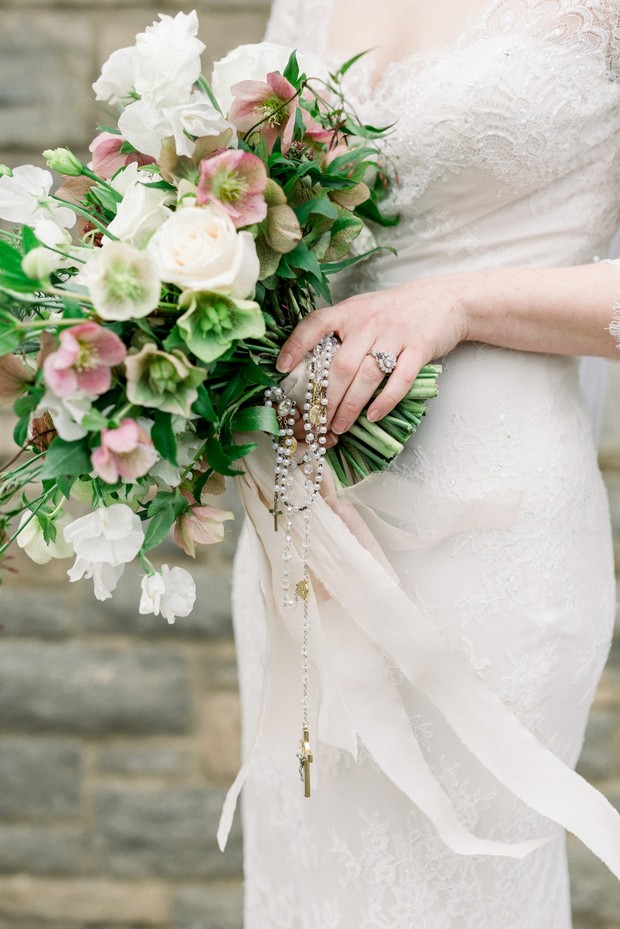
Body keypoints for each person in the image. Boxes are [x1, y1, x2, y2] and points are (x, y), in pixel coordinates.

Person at [228, 1, 620, 926]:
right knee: (313, 878)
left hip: (492, 522)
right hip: (305, 508)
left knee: (459, 881)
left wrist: (455, 301)